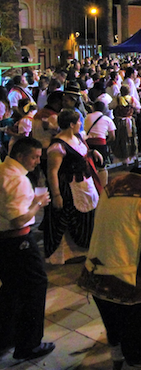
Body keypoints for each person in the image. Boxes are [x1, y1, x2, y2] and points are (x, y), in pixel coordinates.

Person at [77, 151, 141, 369]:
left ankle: (117, 361)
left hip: (97, 273)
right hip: (130, 282)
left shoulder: (115, 183)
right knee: (139, 341)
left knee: (114, 329)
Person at [0, 137, 55, 361]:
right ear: (21, 156)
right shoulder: (17, 180)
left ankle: (7, 337)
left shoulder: (3, 170)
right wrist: (38, 203)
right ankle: (29, 344)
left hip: (4, 243)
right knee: (34, 288)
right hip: (18, 241)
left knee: (11, 290)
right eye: (34, 157)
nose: (37, 161)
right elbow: (18, 219)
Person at [41, 108, 103, 264]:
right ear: (71, 124)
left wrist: (92, 152)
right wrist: (56, 195)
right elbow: (52, 172)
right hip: (69, 187)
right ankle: (68, 254)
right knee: (68, 218)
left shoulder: (78, 138)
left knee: (89, 215)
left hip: (85, 184)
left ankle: (86, 248)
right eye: (78, 122)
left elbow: (79, 155)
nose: (80, 124)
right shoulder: (58, 146)